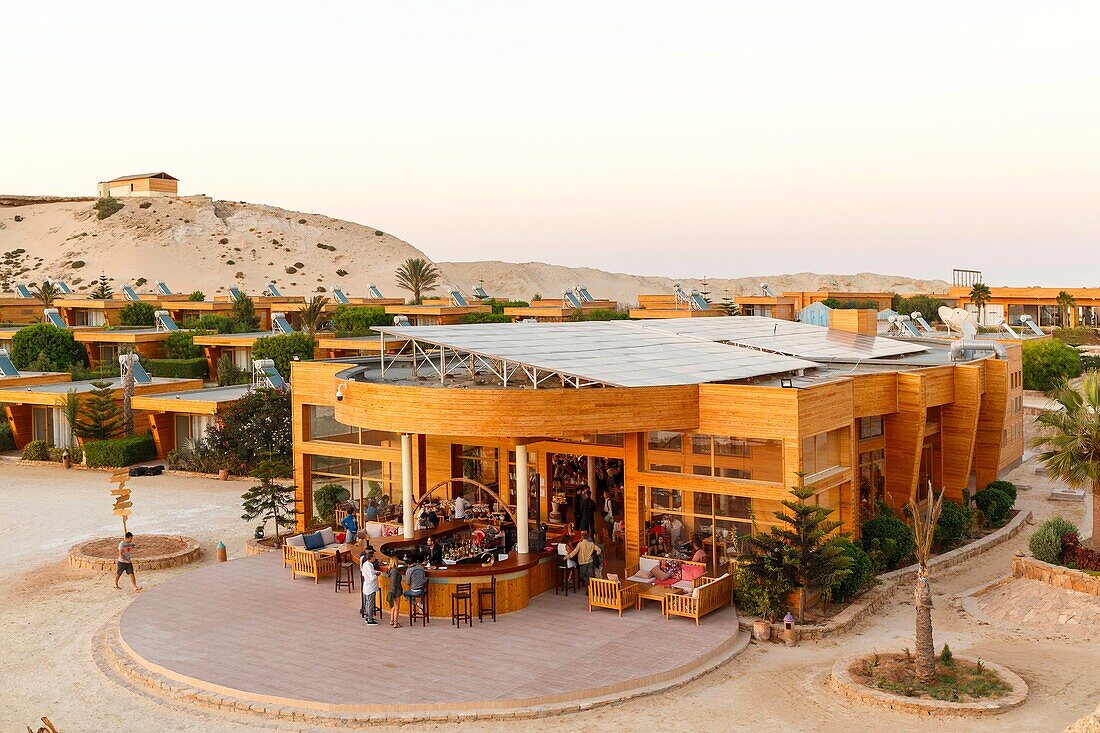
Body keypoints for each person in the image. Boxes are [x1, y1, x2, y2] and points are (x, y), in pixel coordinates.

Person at [360, 549, 379, 624]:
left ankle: (368, 618)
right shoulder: (369, 566)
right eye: (374, 557)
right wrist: (376, 575)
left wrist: (375, 572)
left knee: (368, 603)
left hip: (367, 587)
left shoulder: (366, 564)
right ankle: (370, 620)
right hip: (370, 588)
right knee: (370, 604)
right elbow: (372, 578)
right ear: (371, 558)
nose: (375, 558)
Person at [385, 558, 404, 628]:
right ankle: (396, 622)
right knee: (396, 607)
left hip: (392, 590)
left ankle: (392, 620)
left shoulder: (390, 570)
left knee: (393, 607)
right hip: (395, 591)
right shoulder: (395, 571)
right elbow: (393, 583)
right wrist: (393, 592)